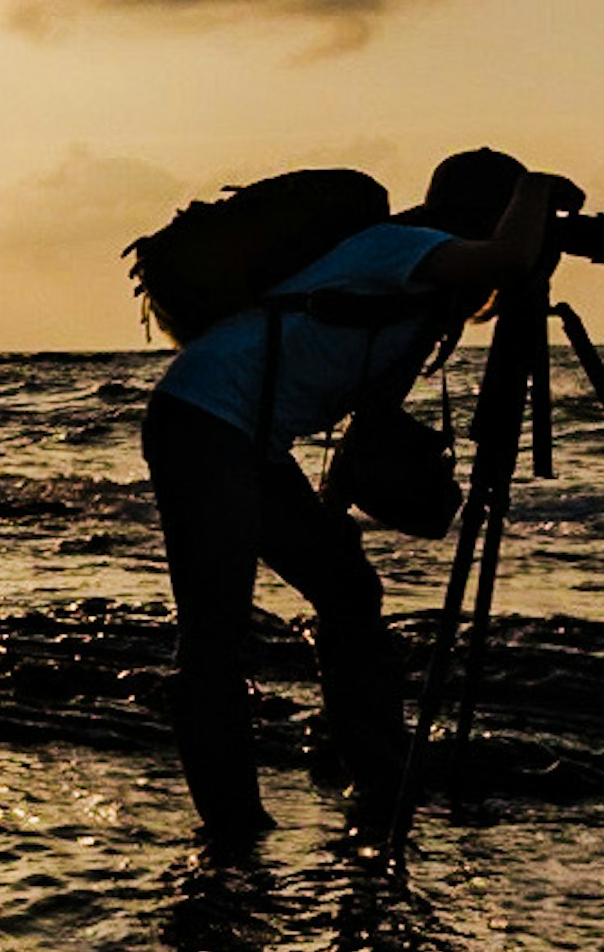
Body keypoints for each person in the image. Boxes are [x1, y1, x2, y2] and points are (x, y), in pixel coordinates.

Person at [140, 147, 555, 846]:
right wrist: (541, 188)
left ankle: (378, 780)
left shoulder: (423, 302)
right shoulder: (402, 245)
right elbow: (509, 260)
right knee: (215, 632)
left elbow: (367, 425)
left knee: (349, 590)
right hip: (201, 419)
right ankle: (235, 826)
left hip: (247, 439)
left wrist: (332, 522)